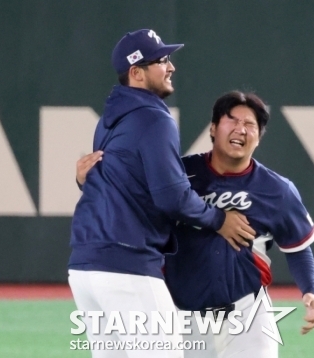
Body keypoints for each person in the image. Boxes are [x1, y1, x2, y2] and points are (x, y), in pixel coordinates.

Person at [77, 91, 314, 357]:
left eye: (250, 125)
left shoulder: (278, 190)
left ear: (259, 137)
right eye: (232, 120)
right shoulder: (178, 176)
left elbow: (297, 246)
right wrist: (88, 182)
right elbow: (126, 201)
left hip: (248, 316)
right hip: (182, 317)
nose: (241, 129)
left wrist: (310, 290)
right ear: (213, 129)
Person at [68, 30, 256, 358]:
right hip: (126, 267)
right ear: (136, 73)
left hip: (85, 269)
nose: (171, 67)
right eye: (161, 61)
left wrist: (85, 181)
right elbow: (172, 196)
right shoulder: (154, 119)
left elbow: (120, 181)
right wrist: (218, 219)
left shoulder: (110, 120)